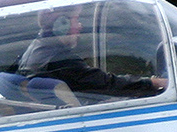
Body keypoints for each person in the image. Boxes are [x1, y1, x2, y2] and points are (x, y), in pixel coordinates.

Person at [16, 6, 167, 103]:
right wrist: (154, 83)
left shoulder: (34, 50)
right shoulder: (61, 61)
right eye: (76, 19)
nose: (80, 26)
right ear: (62, 25)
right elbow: (107, 83)